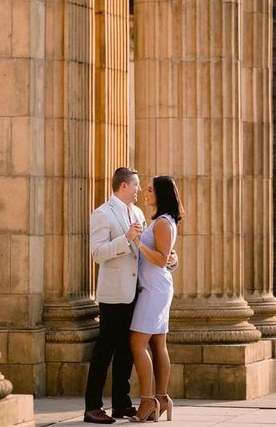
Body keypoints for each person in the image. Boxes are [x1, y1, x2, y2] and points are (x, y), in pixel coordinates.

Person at [84, 168, 177, 425]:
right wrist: (126, 240)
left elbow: (151, 251)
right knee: (105, 350)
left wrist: (171, 260)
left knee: (127, 350)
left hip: (138, 291)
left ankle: (121, 404)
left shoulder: (137, 213)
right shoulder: (102, 213)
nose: (139, 190)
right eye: (136, 185)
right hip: (113, 294)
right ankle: (92, 407)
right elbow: (97, 254)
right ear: (123, 186)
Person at [128, 175, 185, 423]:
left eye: (150, 190)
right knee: (157, 344)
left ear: (160, 194)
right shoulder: (164, 221)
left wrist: (138, 242)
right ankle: (161, 398)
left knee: (137, 343)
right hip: (157, 287)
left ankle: (148, 400)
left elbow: (162, 259)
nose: (145, 193)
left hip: (154, 289)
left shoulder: (162, 222)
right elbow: (167, 257)